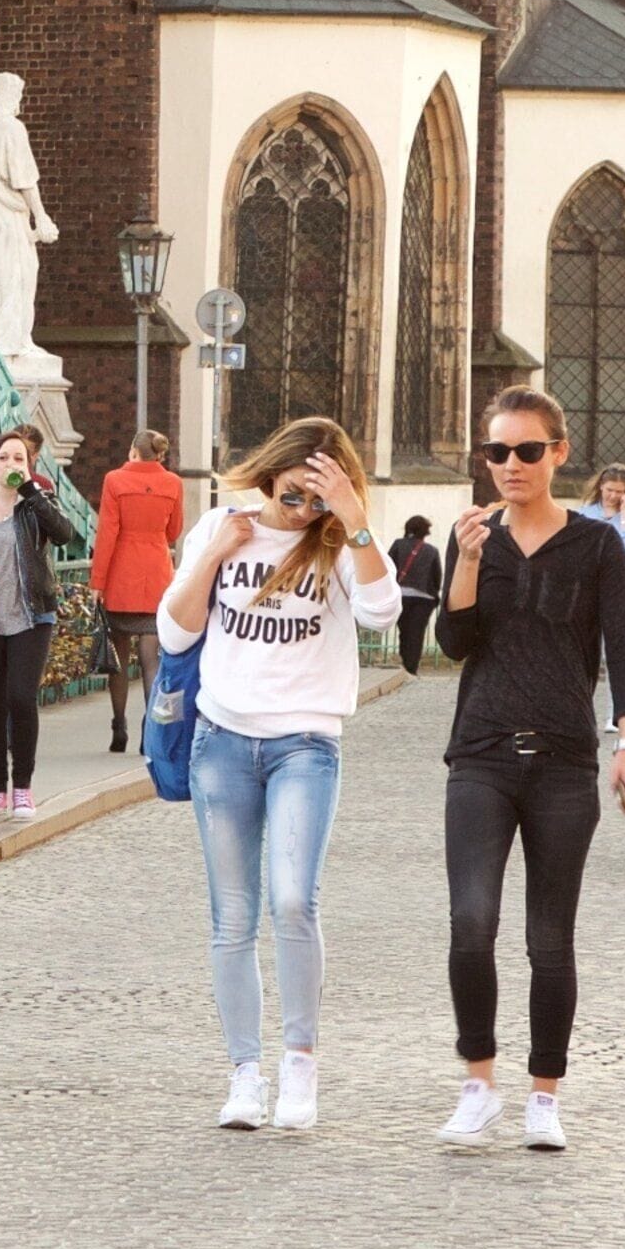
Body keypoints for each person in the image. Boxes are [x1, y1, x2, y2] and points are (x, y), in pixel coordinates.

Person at [157, 415, 400, 1131]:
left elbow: (383, 614)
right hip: (222, 741)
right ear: (271, 475)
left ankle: (300, 1062)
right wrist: (212, 559)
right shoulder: (220, 527)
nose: (303, 512)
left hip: (304, 744)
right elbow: (175, 632)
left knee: (293, 901)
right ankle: (243, 1075)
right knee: (232, 917)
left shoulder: (336, 542)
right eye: (295, 495)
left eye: (319, 499)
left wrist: (354, 522)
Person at [434, 386, 625, 1155]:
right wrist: (466, 561)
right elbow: (451, 646)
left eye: (527, 451)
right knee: (470, 923)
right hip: (480, 755)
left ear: (559, 452)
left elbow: (622, 646)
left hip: (562, 762)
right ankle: (478, 1084)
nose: (511, 466)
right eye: (497, 452)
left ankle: (544, 1097)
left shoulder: (593, 546)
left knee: (549, 939)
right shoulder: (475, 537)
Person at [0, 425, 83, 817]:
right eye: (3, 458)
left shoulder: (37, 502)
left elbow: (64, 534)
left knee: (21, 697)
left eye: (19, 458)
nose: (10, 464)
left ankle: (23, 787)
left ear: (29, 466)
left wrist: (30, 491)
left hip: (31, 615)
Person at [88, 428, 187, 749]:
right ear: (159, 455)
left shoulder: (115, 481)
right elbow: (174, 530)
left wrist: (97, 582)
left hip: (121, 575)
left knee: (118, 654)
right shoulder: (173, 483)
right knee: (151, 658)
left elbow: (107, 534)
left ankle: (119, 727)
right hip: (157, 575)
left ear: (133, 451)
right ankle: (151, 732)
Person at [389, 514, 443, 676]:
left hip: (401, 596)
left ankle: (405, 664)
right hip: (424, 599)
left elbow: (388, 567)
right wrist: (434, 596)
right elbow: (437, 577)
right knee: (416, 633)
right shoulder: (432, 551)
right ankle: (411, 667)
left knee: (404, 631)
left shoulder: (398, 545)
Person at [586, 464, 625, 567]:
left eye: (619, 492)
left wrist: (623, 513)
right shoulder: (586, 513)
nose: (613, 496)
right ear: (601, 486)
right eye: (609, 490)